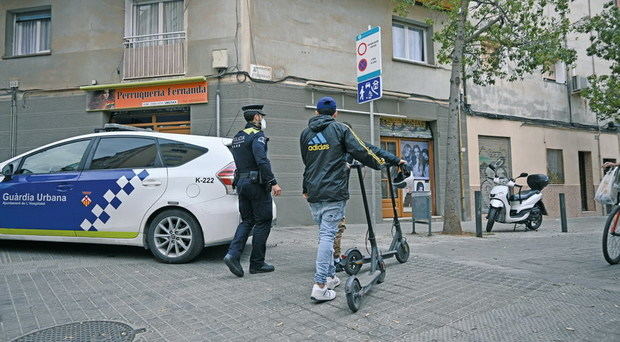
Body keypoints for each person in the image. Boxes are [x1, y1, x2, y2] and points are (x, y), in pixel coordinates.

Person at [300, 97, 406, 302]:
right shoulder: (340, 130)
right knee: (327, 237)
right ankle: (320, 285)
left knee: (324, 235)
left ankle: (330, 277)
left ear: (316, 113)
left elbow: (308, 164)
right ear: (335, 113)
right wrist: (380, 165)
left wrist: (306, 188)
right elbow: (362, 150)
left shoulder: (306, 134)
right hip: (333, 192)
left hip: (313, 193)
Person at [223, 104, 282, 278]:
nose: (263, 120)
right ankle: (257, 264)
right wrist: (273, 182)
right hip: (256, 184)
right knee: (263, 221)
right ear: (256, 117)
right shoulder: (257, 136)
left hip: (241, 182)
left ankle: (232, 255)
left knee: (247, 220)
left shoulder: (238, 137)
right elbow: (262, 160)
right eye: (262, 117)